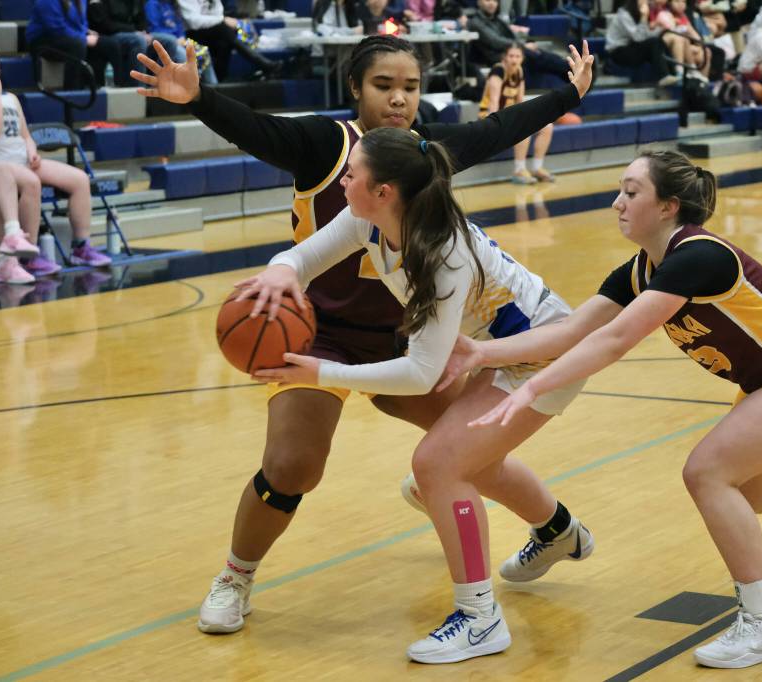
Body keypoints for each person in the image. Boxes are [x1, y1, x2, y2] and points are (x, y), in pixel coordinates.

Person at [131, 35, 595, 635]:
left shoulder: (425, 158)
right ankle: (236, 576)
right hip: (321, 333)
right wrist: (198, 99)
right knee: (293, 463)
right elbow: (256, 130)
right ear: (354, 87)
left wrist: (567, 93)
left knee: (467, 455)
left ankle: (554, 530)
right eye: (384, 86)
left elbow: (503, 127)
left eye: (411, 87)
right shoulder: (329, 148)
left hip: (414, 339)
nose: (400, 99)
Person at [448, 150, 762, 670]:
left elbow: (616, 339)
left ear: (668, 207)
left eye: (631, 191)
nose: (617, 201)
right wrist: (485, 352)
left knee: (708, 473)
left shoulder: (698, 256)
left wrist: (530, 391)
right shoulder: (642, 268)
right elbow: (573, 331)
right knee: (750, 488)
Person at [241, 128, 592, 663]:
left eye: (352, 171)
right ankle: (560, 532)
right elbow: (302, 257)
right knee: (469, 463)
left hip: (541, 355)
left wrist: (323, 373)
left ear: (383, 190)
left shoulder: (442, 255)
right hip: (488, 350)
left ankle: (480, 618)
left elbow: (421, 374)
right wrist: (277, 277)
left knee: (439, 465)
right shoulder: (369, 218)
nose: (344, 178)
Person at [0, 55, 112, 275]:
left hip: (23, 162)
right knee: (33, 183)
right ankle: (30, 256)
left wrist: (32, 151)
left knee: (79, 179)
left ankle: (81, 247)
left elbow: (26, 136)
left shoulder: (11, 98)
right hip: (1, 169)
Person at [479, 43, 555, 184]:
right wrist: (492, 126)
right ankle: (519, 170)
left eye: (517, 56)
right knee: (523, 128)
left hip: (508, 115)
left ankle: (537, 168)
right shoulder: (498, 71)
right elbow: (493, 102)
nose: (514, 59)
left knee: (547, 126)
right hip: (490, 116)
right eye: (511, 56)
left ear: (522, 58)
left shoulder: (519, 71)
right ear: (505, 58)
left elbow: (520, 101)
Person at [469, 0, 571, 85]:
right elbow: (495, 41)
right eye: (487, 0)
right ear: (479, 2)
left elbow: (509, 37)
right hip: (499, 56)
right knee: (542, 58)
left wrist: (522, 44)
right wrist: (522, 45)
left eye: (495, 1)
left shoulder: (496, 19)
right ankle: (573, 75)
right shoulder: (476, 22)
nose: (492, 3)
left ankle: (572, 76)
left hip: (512, 50)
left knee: (546, 56)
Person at [176, 0, 279, 80]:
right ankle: (263, 64)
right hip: (191, 34)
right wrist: (221, 20)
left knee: (225, 42)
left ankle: (219, 80)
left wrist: (220, 20)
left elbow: (218, 13)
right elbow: (194, 22)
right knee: (225, 30)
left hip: (214, 30)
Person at [605, 0, 683, 86]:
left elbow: (646, 36)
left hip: (631, 47)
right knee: (654, 42)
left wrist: (661, 30)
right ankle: (663, 76)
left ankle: (674, 74)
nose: (646, 2)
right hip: (618, 52)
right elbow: (639, 38)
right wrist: (644, 17)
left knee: (659, 42)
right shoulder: (624, 14)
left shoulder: (638, 13)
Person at [145, 0, 219, 84]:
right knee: (184, 55)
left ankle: (213, 87)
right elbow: (154, 29)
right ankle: (190, 89)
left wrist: (182, 38)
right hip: (165, 41)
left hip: (180, 40)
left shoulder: (174, 5)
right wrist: (175, 39)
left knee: (204, 52)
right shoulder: (152, 4)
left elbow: (180, 26)